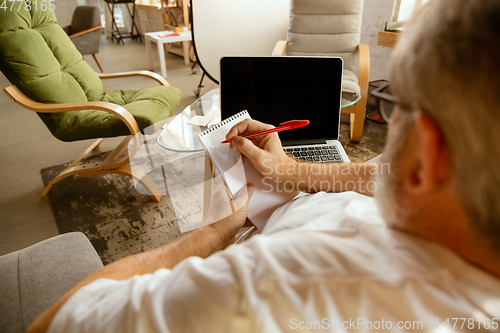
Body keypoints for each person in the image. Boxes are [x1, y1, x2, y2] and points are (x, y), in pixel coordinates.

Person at [29, 0, 500, 332]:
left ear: (431, 154)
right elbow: (383, 172)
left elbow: (59, 321)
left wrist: (220, 228)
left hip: (257, 231)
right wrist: (294, 173)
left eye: (400, 114)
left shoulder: (286, 285)